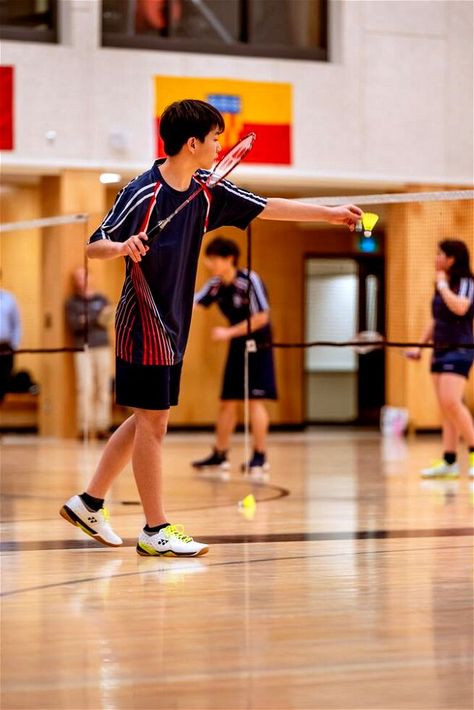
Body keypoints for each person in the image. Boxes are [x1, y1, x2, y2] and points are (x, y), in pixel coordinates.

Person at [60, 99, 362, 557]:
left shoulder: (206, 190)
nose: (221, 146)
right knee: (154, 423)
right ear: (192, 142)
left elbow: (265, 206)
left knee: (145, 417)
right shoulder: (142, 192)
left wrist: (329, 212)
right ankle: (155, 528)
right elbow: (93, 246)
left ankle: (89, 501)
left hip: (174, 323)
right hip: (144, 321)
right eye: (216, 138)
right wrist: (123, 246)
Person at [192, 236, 276, 482]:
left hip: (257, 344)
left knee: (254, 402)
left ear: (229, 259)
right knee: (227, 400)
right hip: (236, 344)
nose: (210, 264)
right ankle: (220, 453)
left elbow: (262, 317)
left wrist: (228, 332)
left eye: (214, 259)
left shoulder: (250, 280)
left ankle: (260, 455)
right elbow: (194, 302)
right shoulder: (216, 285)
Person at [406, 239, 474, 478]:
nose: (436, 258)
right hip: (439, 350)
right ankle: (449, 461)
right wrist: (419, 347)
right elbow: (437, 321)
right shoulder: (441, 285)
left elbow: (461, 308)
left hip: (460, 349)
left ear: (452, 259)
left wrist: (443, 286)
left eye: (440, 254)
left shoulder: (465, 283)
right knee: (447, 408)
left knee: (452, 402)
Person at [65, 268, 113, 439]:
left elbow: (107, 319)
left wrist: (86, 318)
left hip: (103, 347)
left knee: (103, 387)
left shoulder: (101, 298)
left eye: (83, 276)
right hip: (82, 348)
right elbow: (75, 326)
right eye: (77, 278)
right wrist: (96, 317)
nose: (81, 281)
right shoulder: (72, 303)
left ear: (90, 277)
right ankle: (84, 427)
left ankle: (102, 426)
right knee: (85, 387)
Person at [0, 288, 21, 403]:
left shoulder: (9, 299)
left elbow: (16, 324)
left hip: (5, 347)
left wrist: (14, 346)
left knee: (3, 383)